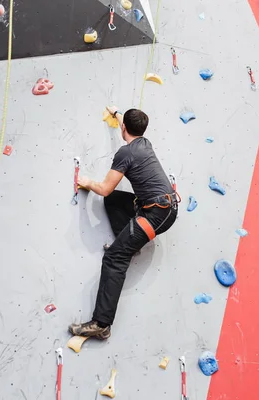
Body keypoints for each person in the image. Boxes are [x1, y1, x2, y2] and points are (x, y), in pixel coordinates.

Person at [69, 106, 179, 339]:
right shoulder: (144, 143)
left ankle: (101, 324)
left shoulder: (125, 153)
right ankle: (130, 243)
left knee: (114, 257)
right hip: (159, 205)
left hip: (157, 215)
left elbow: (105, 188)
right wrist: (117, 112)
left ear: (125, 129)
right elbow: (125, 124)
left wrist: (87, 181)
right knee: (116, 201)